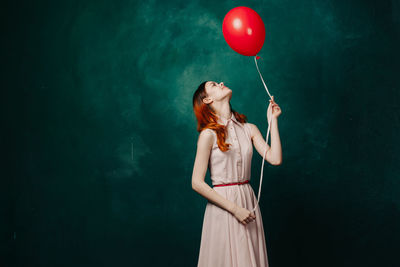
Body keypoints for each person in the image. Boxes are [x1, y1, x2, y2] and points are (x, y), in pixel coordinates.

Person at [191, 81, 282, 267]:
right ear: (207, 99)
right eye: (214, 85)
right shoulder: (208, 134)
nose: (221, 83)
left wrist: (273, 122)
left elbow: (275, 158)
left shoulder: (249, 128)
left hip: (248, 200)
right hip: (224, 205)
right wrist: (235, 209)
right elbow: (196, 183)